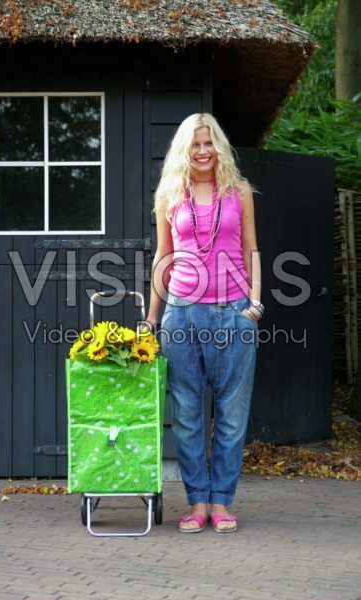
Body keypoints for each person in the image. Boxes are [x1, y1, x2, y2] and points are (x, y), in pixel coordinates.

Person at [145, 113, 264, 533]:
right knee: (188, 413)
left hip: (234, 311)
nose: (202, 151)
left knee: (232, 412)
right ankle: (197, 501)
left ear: (219, 146)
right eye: (194, 144)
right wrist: (152, 317)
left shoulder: (239, 192)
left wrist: (255, 303)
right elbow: (164, 256)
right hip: (182, 311)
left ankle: (221, 502)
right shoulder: (170, 195)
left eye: (208, 142)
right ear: (183, 148)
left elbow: (251, 249)